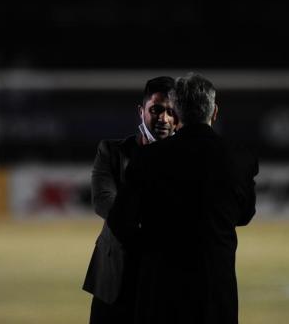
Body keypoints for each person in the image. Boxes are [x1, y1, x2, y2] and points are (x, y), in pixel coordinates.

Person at [107, 72, 258, 324]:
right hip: (215, 289)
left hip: (159, 289)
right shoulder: (240, 158)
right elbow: (244, 215)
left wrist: (152, 247)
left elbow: (120, 221)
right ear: (215, 112)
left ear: (175, 114)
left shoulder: (147, 159)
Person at [82, 76, 178, 324]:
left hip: (164, 281)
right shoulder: (112, 152)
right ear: (141, 111)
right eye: (156, 109)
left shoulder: (186, 160)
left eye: (171, 111)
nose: (163, 118)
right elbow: (103, 202)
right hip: (114, 282)